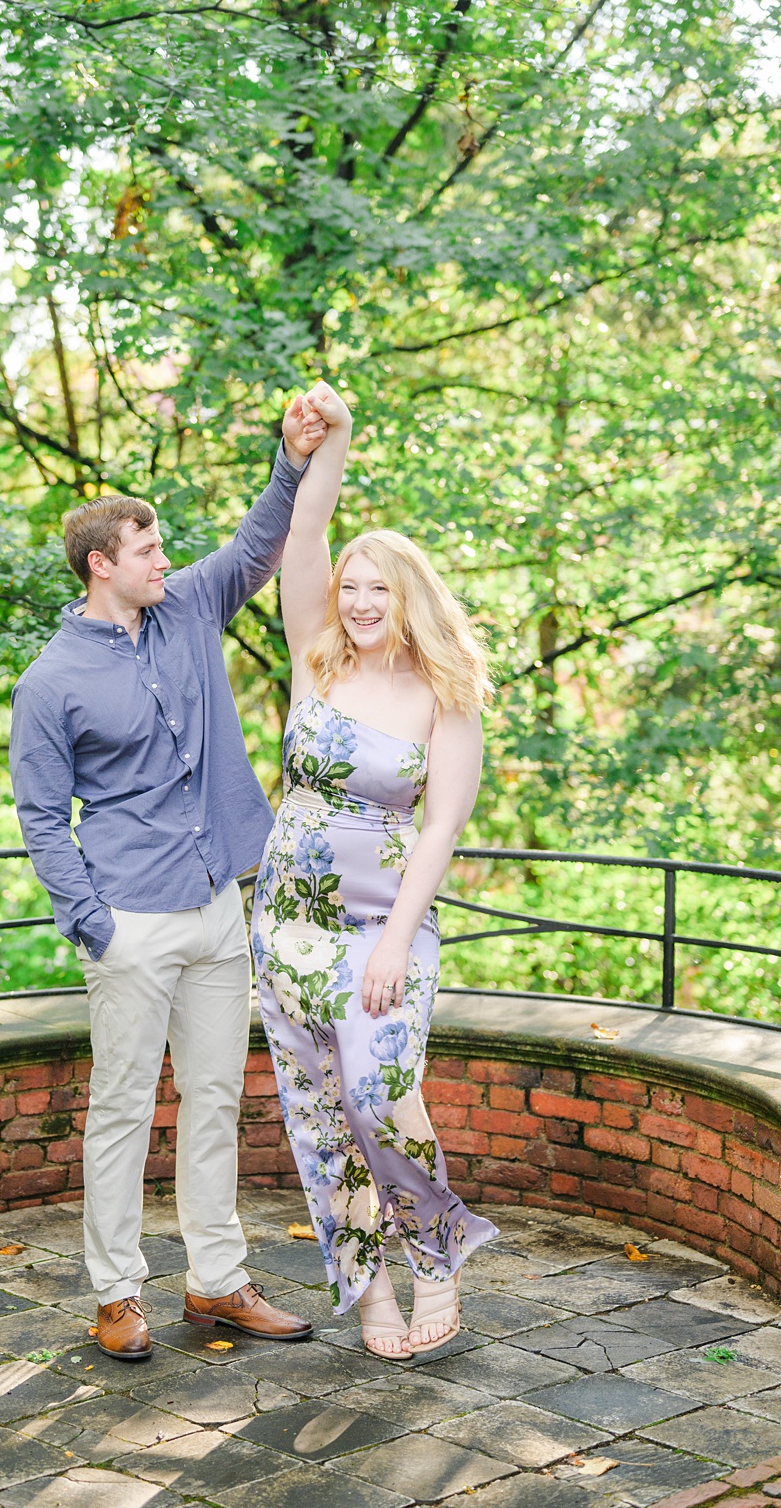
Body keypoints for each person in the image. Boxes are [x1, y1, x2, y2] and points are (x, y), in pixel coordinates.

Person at [9, 395, 333, 1363]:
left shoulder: (189, 607)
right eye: (147, 550)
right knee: (118, 1109)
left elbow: (256, 545)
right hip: (131, 920)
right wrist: (92, 924)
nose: (165, 560)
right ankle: (115, 1293)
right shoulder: (51, 681)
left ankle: (215, 1282)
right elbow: (40, 815)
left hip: (216, 905)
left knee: (215, 1098)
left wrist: (291, 456)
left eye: (161, 549)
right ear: (101, 563)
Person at [252, 382, 497, 1359]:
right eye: (350, 586)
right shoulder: (318, 659)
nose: (355, 601)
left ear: (409, 600)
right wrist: (330, 437)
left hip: (382, 929)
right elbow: (303, 537)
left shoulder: (446, 693)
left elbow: (441, 826)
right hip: (288, 927)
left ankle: (433, 1251)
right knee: (320, 1113)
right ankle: (367, 1288)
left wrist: (397, 938)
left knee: (381, 1086)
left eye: (376, 589)